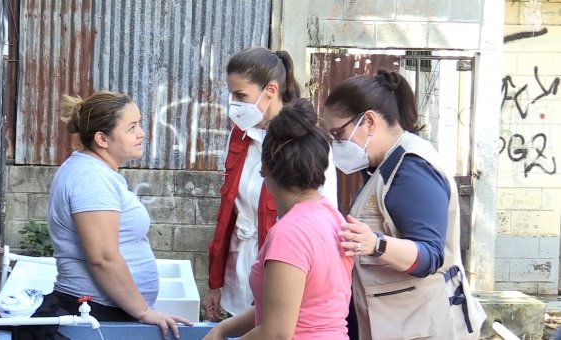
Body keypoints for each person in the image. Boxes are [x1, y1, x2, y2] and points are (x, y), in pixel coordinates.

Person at [322, 70, 486, 340]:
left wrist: (376, 244)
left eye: (339, 133)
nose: (336, 144)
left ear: (370, 121)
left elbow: (430, 256)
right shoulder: (382, 164)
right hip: (395, 320)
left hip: (418, 325)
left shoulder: (412, 169)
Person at [203, 47, 338, 320]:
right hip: (236, 277)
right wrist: (215, 285)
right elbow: (228, 214)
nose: (233, 103)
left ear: (271, 90)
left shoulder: (305, 144)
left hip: (282, 277)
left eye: (241, 95)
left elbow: (322, 223)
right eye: (231, 94)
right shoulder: (239, 137)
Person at [204, 99, 353, 340]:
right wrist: (223, 328)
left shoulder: (290, 233)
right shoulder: (331, 216)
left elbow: (276, 333)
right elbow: (280, 307)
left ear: (264, 166)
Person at [47, 91, 192, 339]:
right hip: (98, 313)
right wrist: (143, 311)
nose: (142, 133)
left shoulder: (95, 171)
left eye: (139, 124)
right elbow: (102, 258)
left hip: (108, 309)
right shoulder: (91, 178)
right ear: (102, 138)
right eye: (132, 127)